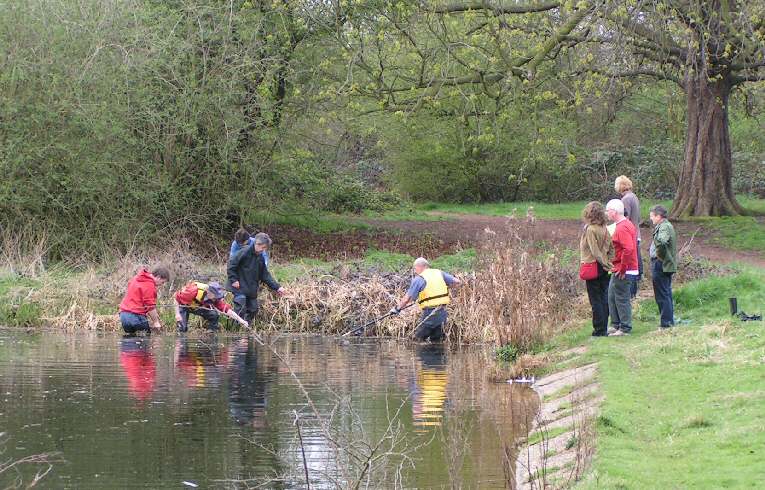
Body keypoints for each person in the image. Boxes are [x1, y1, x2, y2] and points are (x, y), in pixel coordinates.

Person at [391, 257, 461, 342]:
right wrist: (445, 288)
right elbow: (457, 282)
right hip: (442, 313)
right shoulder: (439, 273)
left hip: (430, 313)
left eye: (415, 268)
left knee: (417, 340)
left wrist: (397, 309)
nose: (415, 271)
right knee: (436, 342)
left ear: (420, 266)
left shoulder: (419, 278)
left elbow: (407, 299)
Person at [227, 232, 286, 323]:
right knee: (241, 305)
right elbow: (231, 266)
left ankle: (246, 326)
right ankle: (235, 327)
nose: (264, 250)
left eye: (265, 248)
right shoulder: (243, 252)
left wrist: (278, 287)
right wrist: (234, 280)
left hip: (251, 288)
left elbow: (265, 275)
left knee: (254, 309)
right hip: (239, 286)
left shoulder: (260, 258)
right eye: (263, 247)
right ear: (257, 244)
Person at [579, 202, 614, 337]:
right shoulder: (604, 227)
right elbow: (611, 248)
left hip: (594, 265)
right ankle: (604, 327)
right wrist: (609, 262)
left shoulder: (590, 229)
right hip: (604, 267)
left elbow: (594, 251)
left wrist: (605, 263)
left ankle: (599, 330)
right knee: (603, 297)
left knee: (595, 300)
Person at [605, 199, 639, 336]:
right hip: (618, 267)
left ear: (613, 211)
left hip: (624, 269)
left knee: (621, 298)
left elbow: (628, 249)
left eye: (607, 210)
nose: (606, 213)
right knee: (612, 295)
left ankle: (625, 328)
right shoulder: (624, 225)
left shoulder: (623, 227)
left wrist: (623, 268)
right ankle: (615, 324)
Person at [173, 281, 249, 332]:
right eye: (215, 296)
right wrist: (177, 314)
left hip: (198, 307)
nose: (216, 298)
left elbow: (227, 310)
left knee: (214, 315)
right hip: (184, 306)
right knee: (182, 328)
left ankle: (211, 334)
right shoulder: (193, 291)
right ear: (209, 292)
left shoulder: (214, 299)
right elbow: (176, 298)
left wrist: (241, 321)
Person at [649, 205, 677, 329]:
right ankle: (668, 321)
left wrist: (659, 256)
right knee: (665, 292)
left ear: (658, 216)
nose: (651, 219)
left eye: (652, 216)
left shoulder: (664, 227)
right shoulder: (665, 225)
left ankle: (666, 323)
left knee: (662, 294)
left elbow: (662, 241)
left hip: (661, 264)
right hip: (664, 264)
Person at [118, 266, 170, 334]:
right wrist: (156, 322)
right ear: (158, 277)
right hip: (136, 317)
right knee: (145, 340)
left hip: (123, 316)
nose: (161, 285)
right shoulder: (149, 285)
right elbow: (150, 307)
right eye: (162, 282)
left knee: (129, 340)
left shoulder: (136, 278)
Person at [615, 175, 642, 298]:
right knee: (635, 263)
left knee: (630, 264)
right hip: (636, 234)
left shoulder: (625, 199)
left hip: (630, 236)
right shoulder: (634, 196)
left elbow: (625, 218)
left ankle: (630, 294)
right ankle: (634, 293)